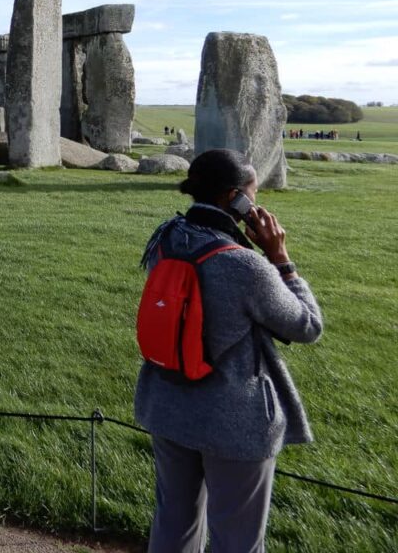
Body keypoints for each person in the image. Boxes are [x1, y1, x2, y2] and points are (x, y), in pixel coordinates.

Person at [135, 149, 323, 552]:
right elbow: (307, 326)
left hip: (167, 403)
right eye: (252, 196)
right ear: (235, 197)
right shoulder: (245, 267)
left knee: (173, 524)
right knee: (237, 540)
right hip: (234, 422)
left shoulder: (166, 238)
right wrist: (281, 260)